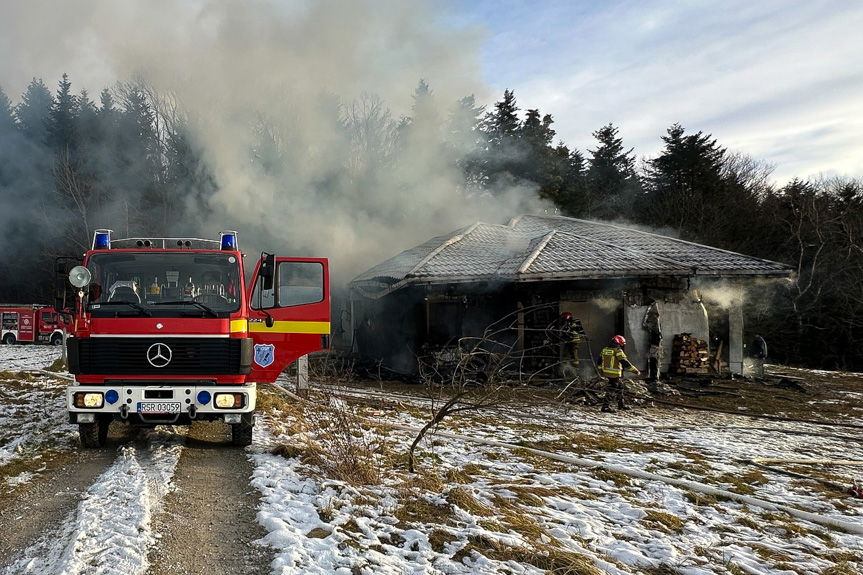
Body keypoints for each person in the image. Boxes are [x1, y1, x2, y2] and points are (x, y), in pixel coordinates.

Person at [597, 335, 641, 413]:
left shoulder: (604, 350)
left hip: (607, 372)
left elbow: (599, 361)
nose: (622, 345)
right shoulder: (618, 351)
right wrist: (635, 370)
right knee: (612, 389)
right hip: (615, 373)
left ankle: (621, 405)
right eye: (621, 344)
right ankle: (605, 407)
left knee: (620, 388)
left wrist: (601, 371)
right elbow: (625, 362)